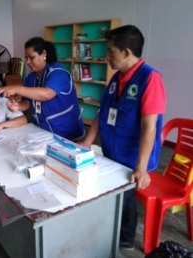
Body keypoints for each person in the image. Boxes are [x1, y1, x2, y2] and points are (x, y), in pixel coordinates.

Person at [80, 25, 166, 250]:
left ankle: (125, 237)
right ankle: (110, 226)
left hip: (132, 156)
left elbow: (150, 128)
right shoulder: (117, 78)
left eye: (111, 51)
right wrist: (87, 142)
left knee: (126, 196)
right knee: (112, 192)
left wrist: (142, 167)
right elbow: (103, 112)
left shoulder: (150, 79)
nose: (107, 56)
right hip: (112, 150)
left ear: (127, 52)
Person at [0, 37, 84, 141]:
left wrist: (16, 88)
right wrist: (18, 106)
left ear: (44, 54)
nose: (28, 62)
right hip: (43, 131)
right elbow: (27, 103)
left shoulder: (58, 73)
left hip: (65, 133)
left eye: (31, 57)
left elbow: (47, 94)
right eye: (26, 58)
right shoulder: (31, 77)